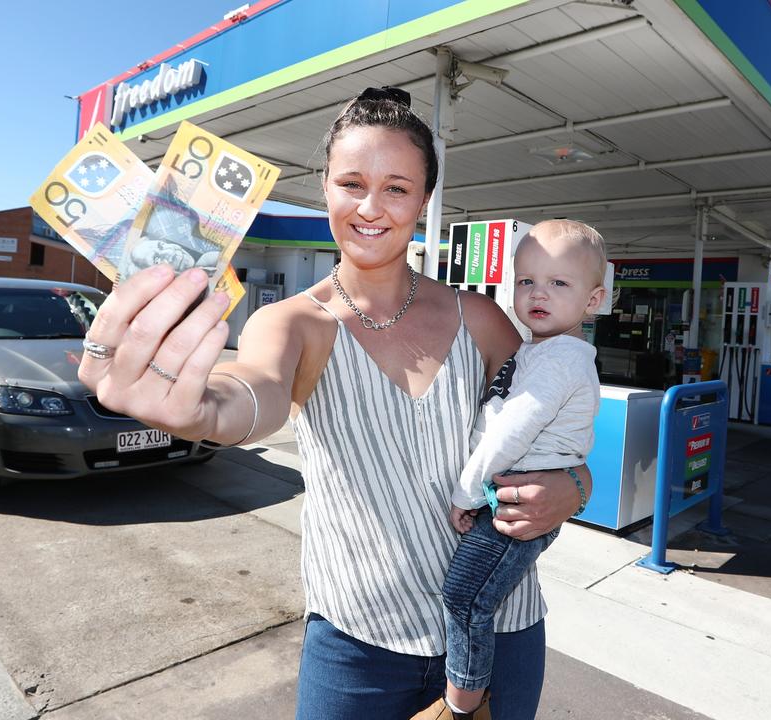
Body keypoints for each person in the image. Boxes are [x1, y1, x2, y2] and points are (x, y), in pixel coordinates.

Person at [76, 86, 591, 720]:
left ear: (424, 200)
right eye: (351, 182)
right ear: (325, 189)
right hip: (358, 649)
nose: (371, 207)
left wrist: (575, 484)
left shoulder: (481, 319)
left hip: (502, 637)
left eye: (397, 188)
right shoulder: (293, 323)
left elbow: (554, 426)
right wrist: (202, 412)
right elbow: (251, 393)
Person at [418, 221, 606, 720]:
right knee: (469, 596)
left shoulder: (560, 357)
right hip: (512, 498)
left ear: (593, 299)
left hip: (513, 506)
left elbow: (508, 434)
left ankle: (461, 708)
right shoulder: (539, 350)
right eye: (526, 281)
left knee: (465, 598)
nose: (538, 293)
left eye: (559, 283)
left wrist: (465, 493)